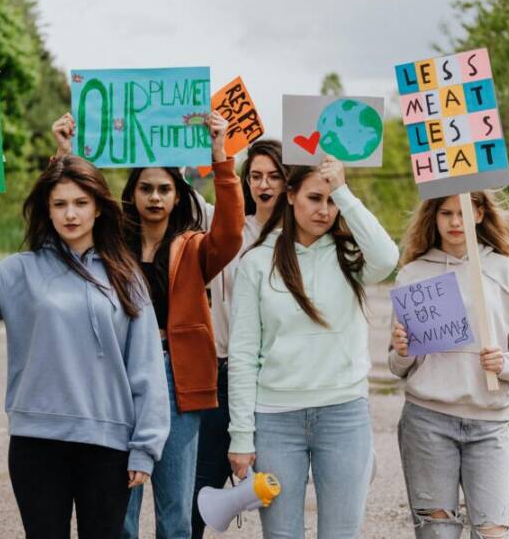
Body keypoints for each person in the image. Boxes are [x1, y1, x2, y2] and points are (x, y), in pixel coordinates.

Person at [0, 149, 169, 539]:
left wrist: (145, 446)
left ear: (98, 209)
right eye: (60, 204)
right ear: (48, 211)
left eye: (80, 203)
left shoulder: (126, 276)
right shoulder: (21, 270)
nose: (70, 214)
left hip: (107, 446)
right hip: (37, 442)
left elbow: (147, 367)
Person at [228, 157, 399, 539]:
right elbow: (242, 355)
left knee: (341, 533)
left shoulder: (350, 258)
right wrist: (240, 435)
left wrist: (344, 191)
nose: (324, 210)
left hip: (343, 414)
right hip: (275, 420)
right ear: (290, 196)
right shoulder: (256, 263)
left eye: (331, 201)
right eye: (314, 198)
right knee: (281, 535)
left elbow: (388, 257)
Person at [116, 111, 245, 539]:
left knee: (175, 511)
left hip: (176, 377)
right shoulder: (111, 249)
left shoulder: (193, 248)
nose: (155, 197)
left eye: (164, 189)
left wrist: (221, 158)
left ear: (177, 196)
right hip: (118, 378)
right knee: (119, 509)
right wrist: (63, 154)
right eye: (146, 188)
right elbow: (65, 215)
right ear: (132, 194)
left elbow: (229, 235)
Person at [390, 191, 509, 539]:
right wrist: (404, 350)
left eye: (462, 212)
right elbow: (398, 365)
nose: (454, 222)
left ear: (480, 213)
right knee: (437, 532)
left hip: (488, 423)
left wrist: (504, 363)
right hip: (427, 421)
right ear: (433, 217)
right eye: (445, 213)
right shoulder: (413, 275)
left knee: (493, 533)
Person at [191, 139, 288, 539]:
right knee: (202, 480)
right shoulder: (224, 226)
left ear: (287, 182)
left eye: (273, 176)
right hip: (224, 370)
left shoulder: (301, 236)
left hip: (278, 379)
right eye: (255, 176)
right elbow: (176, 192)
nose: (263, 184)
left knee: (277, 485)